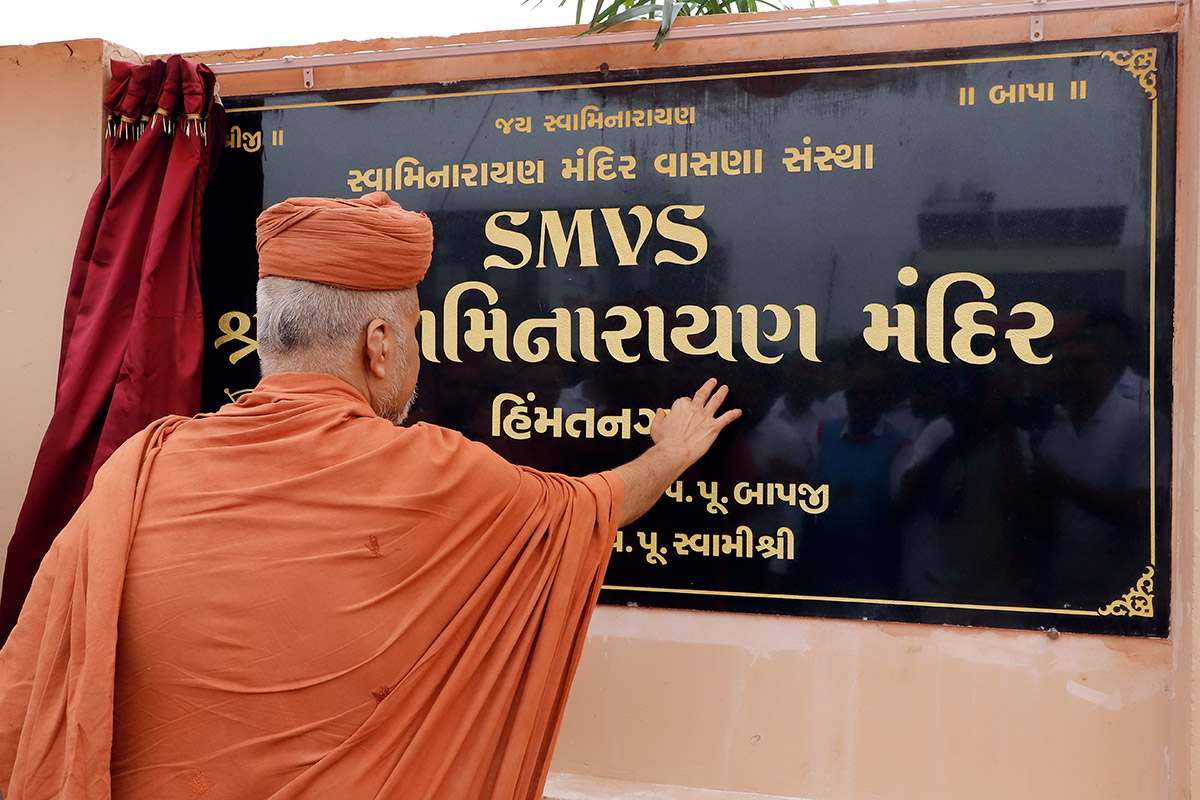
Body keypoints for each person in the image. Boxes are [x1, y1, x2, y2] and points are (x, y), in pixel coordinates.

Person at [0, 192, 740, 800]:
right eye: (416, 331)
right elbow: (593, 505)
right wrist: (672, 453)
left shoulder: (142, 467)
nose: (417, 353)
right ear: (380, 344)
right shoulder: (435, 473)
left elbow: (32, 690)